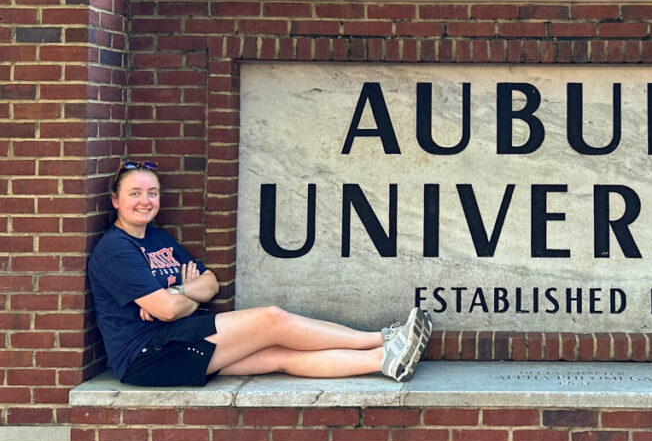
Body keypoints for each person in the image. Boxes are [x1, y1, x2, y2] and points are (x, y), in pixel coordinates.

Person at [87, 160, 431, 387]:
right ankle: (380, 339)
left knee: (280, 356)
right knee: (273, 319)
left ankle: (383, 360)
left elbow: (208, 284)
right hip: (147, 353)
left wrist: (179, 293)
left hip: (174, 335)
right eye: (135, 194)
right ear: (116, 200)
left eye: (152, 193)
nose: (145, 201)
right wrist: (180, 294)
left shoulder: (156, 237)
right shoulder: (115, 249)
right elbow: (166, 310)